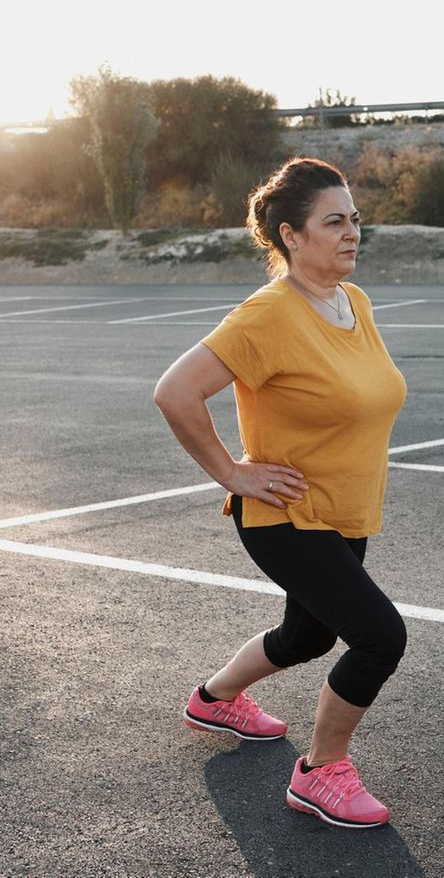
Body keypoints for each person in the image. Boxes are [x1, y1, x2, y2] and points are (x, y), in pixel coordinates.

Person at [154, 157, 408, 829]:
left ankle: (215, 698)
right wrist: (232, 474)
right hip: (284, 515)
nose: (353, 232)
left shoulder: (354, 302)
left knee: (306, 638)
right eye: (335, 222)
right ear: (291, 236)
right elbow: (175, 392)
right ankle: (321, 773)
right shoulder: (265, 316)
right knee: (380, 637)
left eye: (355, 219)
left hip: (343, 509)